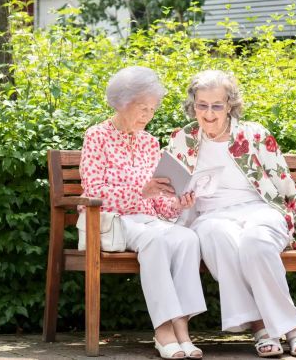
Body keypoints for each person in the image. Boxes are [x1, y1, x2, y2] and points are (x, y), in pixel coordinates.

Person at [166, 70, 296, 358]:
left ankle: (295, 327)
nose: (209, 113)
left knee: (255, 241)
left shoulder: (255, 134)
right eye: (202, 105)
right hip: (211, 216)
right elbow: (168, 192)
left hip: (260, 210)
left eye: (217, 105)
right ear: (193, 106)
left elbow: (287, 189)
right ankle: (261, 327)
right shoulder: (182, 139)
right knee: (218, 237)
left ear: (230, 104)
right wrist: (181, 202)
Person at [78, 66, 205, 359]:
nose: (147, 115)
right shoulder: (97, 136)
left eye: (152, 109)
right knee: (154, 240)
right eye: (142, 108)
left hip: (147, 219)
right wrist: (139, 191)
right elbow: (93, 192)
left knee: (186, 238)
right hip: (112, 219)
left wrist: (176, 202)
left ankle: (182, 328)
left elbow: (158, 202)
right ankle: (162, 330)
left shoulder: (149, 142)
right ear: (122, 102)